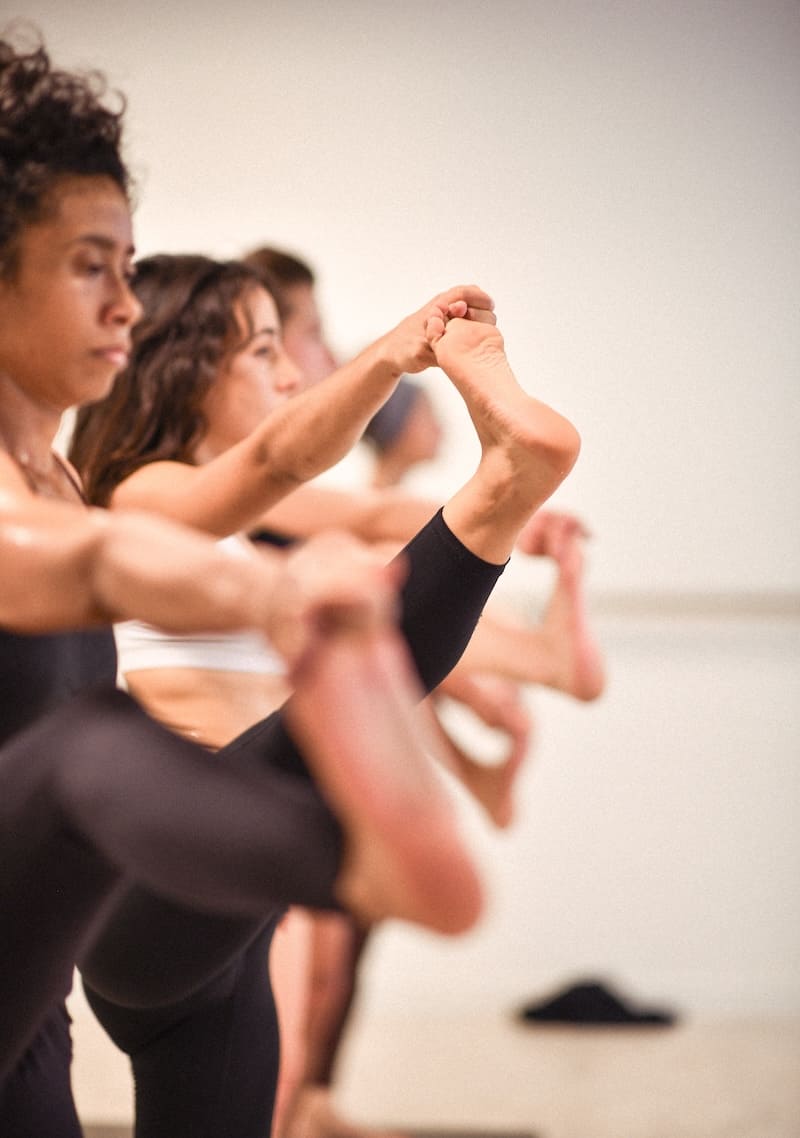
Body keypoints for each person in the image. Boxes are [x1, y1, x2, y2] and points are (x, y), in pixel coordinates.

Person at [0, 32, 581, 1138]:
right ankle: (342, 855)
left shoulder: (60, 476)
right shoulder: (83, 496)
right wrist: (270, 600)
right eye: (88, 267)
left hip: (61, 1001)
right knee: (89, 748)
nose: (123, 304)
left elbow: (272, 465)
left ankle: (497, 498)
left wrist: (393, 354)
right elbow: (85, 558)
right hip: (124, 879)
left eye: (127, 268)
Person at [243, 245, 603, 1138]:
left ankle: (308, 1104)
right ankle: (298, 1107)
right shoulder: (233, 485)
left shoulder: (286, 487)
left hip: (295, 734)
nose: (313, 355)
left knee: (329, 953)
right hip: (255, 748)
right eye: (300, 334)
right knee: (303, 964)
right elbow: (360, 524)